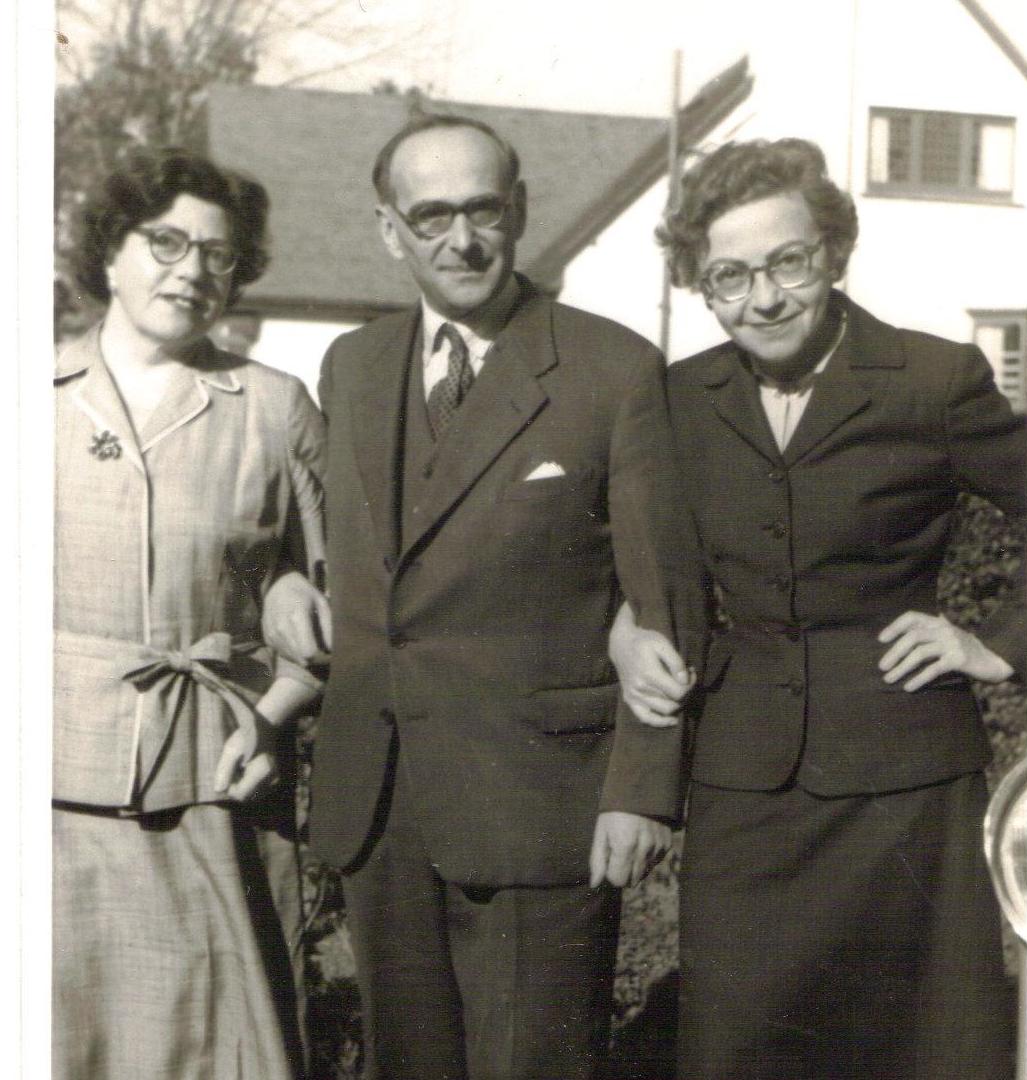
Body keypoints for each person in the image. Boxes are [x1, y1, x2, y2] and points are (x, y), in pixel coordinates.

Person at [262, 111, 706, 1080]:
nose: (460, 240)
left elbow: (664, 599)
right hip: (381, 796)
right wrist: (291, 578)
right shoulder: (354, 365)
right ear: (390, 231)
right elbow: (358, 549)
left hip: (541, 805)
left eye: (482, 211)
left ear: (520, 213)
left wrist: (641, 791)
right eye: (430, 218)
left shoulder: (613, 370)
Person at [609, 137, 1027, 1079]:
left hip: (906, 783)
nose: (762, 299)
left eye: (786, 263)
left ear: (833, 253)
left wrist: (998, 646)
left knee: (920, 1046)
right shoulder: (678, 398)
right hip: (744, 782)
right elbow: (634, 554)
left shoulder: (934, 379)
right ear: (700, 287)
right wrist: (627, 629)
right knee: (740, 1045)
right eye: (728, 277)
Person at [53, 146, 326, 1079]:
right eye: (165, 241)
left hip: (217, 780)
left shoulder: (274, 407)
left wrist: (273, 711)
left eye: (219, 253)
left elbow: (329, 602)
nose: (193, 270)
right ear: (110, 253)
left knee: (216, 1050)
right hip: (48, 795)